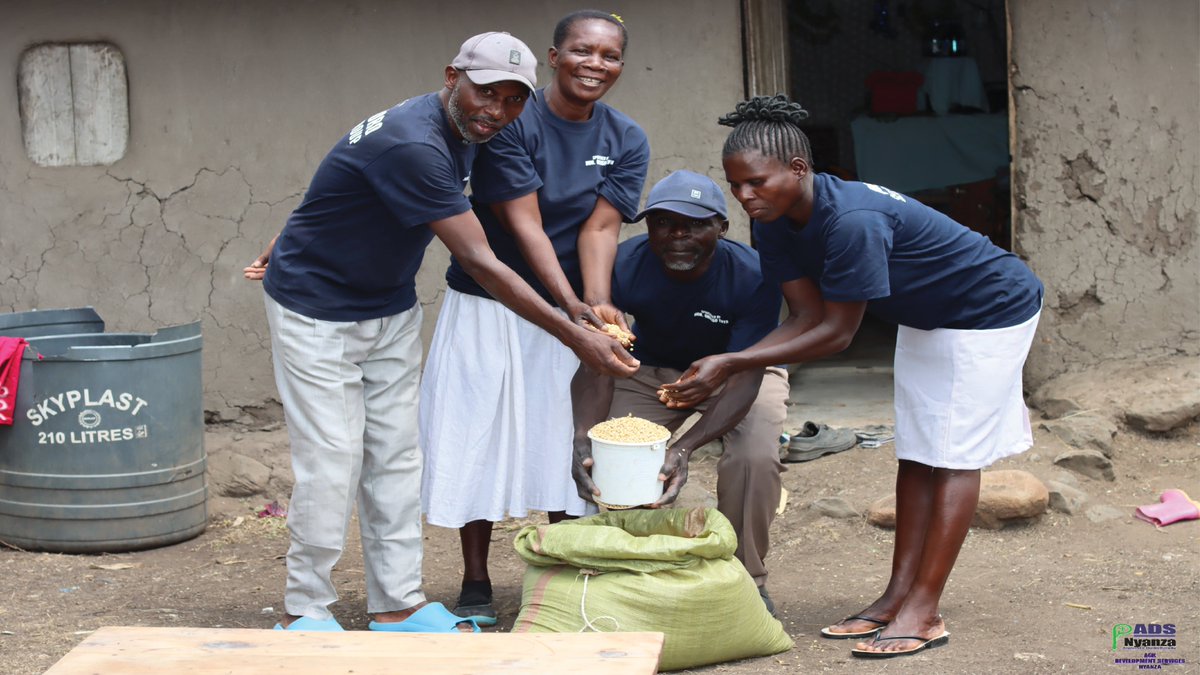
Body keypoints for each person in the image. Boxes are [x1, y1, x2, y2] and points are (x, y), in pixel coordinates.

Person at [243, 32, 637, 634]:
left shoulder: (488, 131)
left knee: (397, 459)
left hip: (389, 305)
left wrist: (579, 307)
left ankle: (396, 604)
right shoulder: (414, 143)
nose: (496, 110)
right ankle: (305, 608)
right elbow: (482, 261)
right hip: (316, 310)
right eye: (485, 93)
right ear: (453, 76)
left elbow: (524, 228)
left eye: (512, 99)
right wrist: (573, 335)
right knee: (333, 460)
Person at [685, 94, 1044, 657]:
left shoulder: (852, 220)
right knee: (919, 451)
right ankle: (895, 596)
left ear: (798, 169)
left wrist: (733, 360)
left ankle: (924, 611)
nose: (744, 197)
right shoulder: (775, 221)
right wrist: (738, 360)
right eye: (736, 185)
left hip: (990, 309)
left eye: (755, 182)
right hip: (928, 318)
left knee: (953, 455)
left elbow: (836, 334)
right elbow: (804, 316)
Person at [418, 10, 649, 625]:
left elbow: (601, 227)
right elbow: (526, 226)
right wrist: (569, 308)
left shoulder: (626, 138)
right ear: (555, 55)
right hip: (490, 303)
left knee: (562, 438)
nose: (594, 64)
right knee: (477, 436)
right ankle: (474, 581)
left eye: (609, 55)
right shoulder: (515, 118)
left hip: (568, 313)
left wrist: (596, 301)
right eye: (582, 51)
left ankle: (559, 572)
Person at [569, 170, 789, 615]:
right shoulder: (624, 263)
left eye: (695, 224)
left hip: (741, 371)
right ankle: (638, 576)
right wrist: (583, 433)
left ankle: (745, 578)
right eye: (664, 223)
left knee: (753, 456)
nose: (678, 236)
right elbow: (599, 359)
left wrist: (684, 449)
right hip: (651, 371)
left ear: (721, 228)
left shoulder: (752, 275)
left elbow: (747, 374)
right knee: (616, 458)